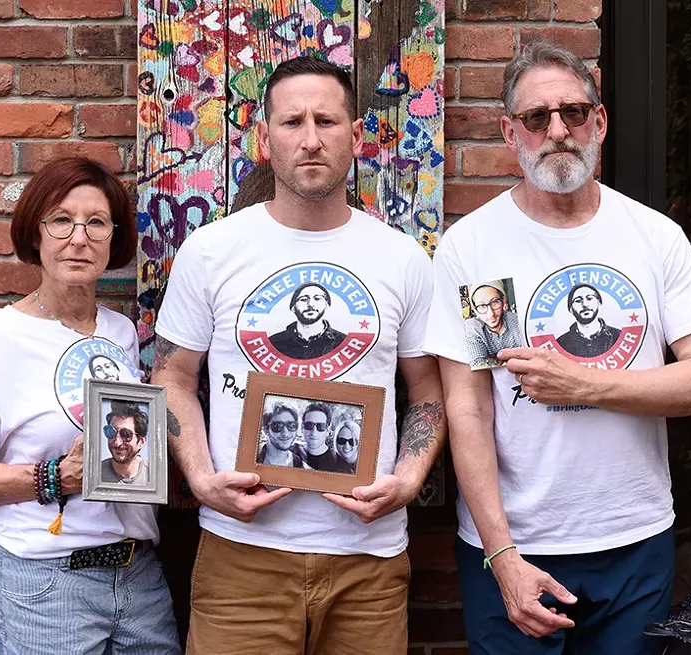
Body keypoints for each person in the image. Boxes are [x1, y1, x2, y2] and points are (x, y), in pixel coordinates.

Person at [423, 41, 691, 655]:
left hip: (634, 539)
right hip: (514, 545)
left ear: (601, 120)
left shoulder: (653, 236)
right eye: (537, 118)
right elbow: (470, 411)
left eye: (573, 112)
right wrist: (503, 557)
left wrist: (585, 385)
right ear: (511, 133)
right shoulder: (474, 247)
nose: (557, 131)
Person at [151, 55, 446, 655]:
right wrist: (203, 481)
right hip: (242, 556)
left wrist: (410, 477)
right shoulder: (211, 252)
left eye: (327, 121)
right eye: (291, 122)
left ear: (356, 137)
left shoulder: (404, 259)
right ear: (264, 139)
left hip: (369, 561)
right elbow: (172, 378)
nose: (310, 139)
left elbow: (429, 389)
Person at [0, 157, 181, 655]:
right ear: (36, 233)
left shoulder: (121, 332)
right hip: (45, 585)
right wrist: (53, 478)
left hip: (139, 577)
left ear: (114, 238)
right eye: (61, 220)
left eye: (96, 222)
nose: (79, 237)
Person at [268, 282, 348, 359]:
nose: (311, 304)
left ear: (326, 306)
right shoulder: (274, 343)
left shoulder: (343, 342)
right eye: (304, 299)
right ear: (293, 308)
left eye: (317, 298)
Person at [464, 281, 524, 368]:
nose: (491, 314)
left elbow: (528, 355)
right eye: (482, 306)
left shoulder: (516, 320)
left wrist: (492, 360)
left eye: (494, 302)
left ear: (503, 301)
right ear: (474, 309)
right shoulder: (472, 326)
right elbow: (477, 364)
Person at [556, 283, 621, 358]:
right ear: (571, 309)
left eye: (589, 298)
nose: (585, 304)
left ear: (599, 303)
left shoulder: (617, 336)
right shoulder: (561, 343)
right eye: (578, 301)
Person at [101, 400, 150, 485]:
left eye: (126, 434)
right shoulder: (95, 473)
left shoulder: (155, 476)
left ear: (141, 441)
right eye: (111, 432)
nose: (117, 443)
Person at [258, 401, 306, 468]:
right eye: (277, 426)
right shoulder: (254, 456)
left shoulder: (299, 464)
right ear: (266, 430)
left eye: (291, 426)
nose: (285, 434)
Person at [301, 402, 338, 471]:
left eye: (320, 426)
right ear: (302, 428)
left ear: (328, 430)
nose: (314, 432)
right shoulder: (292, 455)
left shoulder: (338, 464)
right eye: (309, 425)